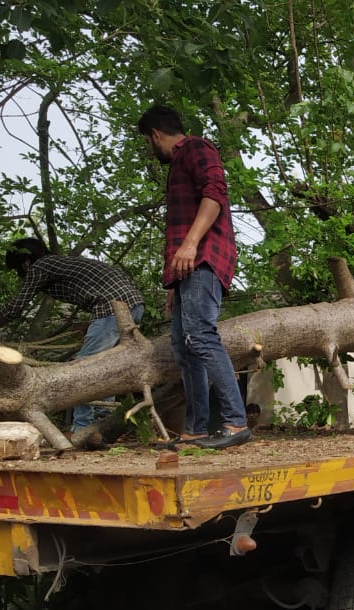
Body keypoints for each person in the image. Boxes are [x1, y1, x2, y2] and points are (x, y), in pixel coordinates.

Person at [138, 104, 251, 449]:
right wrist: (175, 282)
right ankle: (196, 428)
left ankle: (235, 422)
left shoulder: (197, 148)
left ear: (156, 134)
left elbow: (215, 194)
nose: (149, 149)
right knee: (183, 347)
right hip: (188, 267)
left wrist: (189, 245)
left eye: (147, 142)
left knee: (200, 336)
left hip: (204, 256)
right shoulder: (177, 165)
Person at [0, 237, 145, 434]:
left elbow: (15, 306)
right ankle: (103, 422)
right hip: (133, 304)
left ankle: (83, 427)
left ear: (26, 262)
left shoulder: (41, 266)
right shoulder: (59, 262)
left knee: (86, 368)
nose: (21, 275)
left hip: (110, 308)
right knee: (109, 367)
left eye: (18, 269)